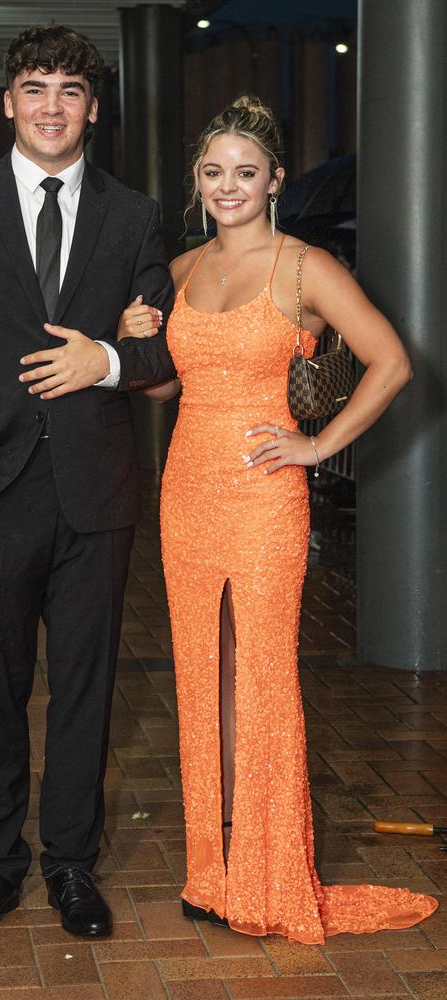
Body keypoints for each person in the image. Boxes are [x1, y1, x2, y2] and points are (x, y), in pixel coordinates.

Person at [117, 95, 438, 944]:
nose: (229, 187)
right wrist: (132, 335)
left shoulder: (307, 269)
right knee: (202, 675)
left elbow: (392, 362)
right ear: (198, 181)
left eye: (246, 174)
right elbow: (161, 388)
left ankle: (269, 869)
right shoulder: (182, 271)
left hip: (265, 498)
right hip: (185, 494)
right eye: (214, 172)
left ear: (274, 183)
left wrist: (314, 444)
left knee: (262, 678)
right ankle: (209, 871)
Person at [0, 24, 175, 944]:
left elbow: (163, 348)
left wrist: (105, 361)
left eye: (70, 89)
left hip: (96, 488)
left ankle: (69, 863)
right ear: (9, 102)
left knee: (88, 683)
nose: (53, 106)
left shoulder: (136, 217)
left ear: (94, 107)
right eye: (35, 88)